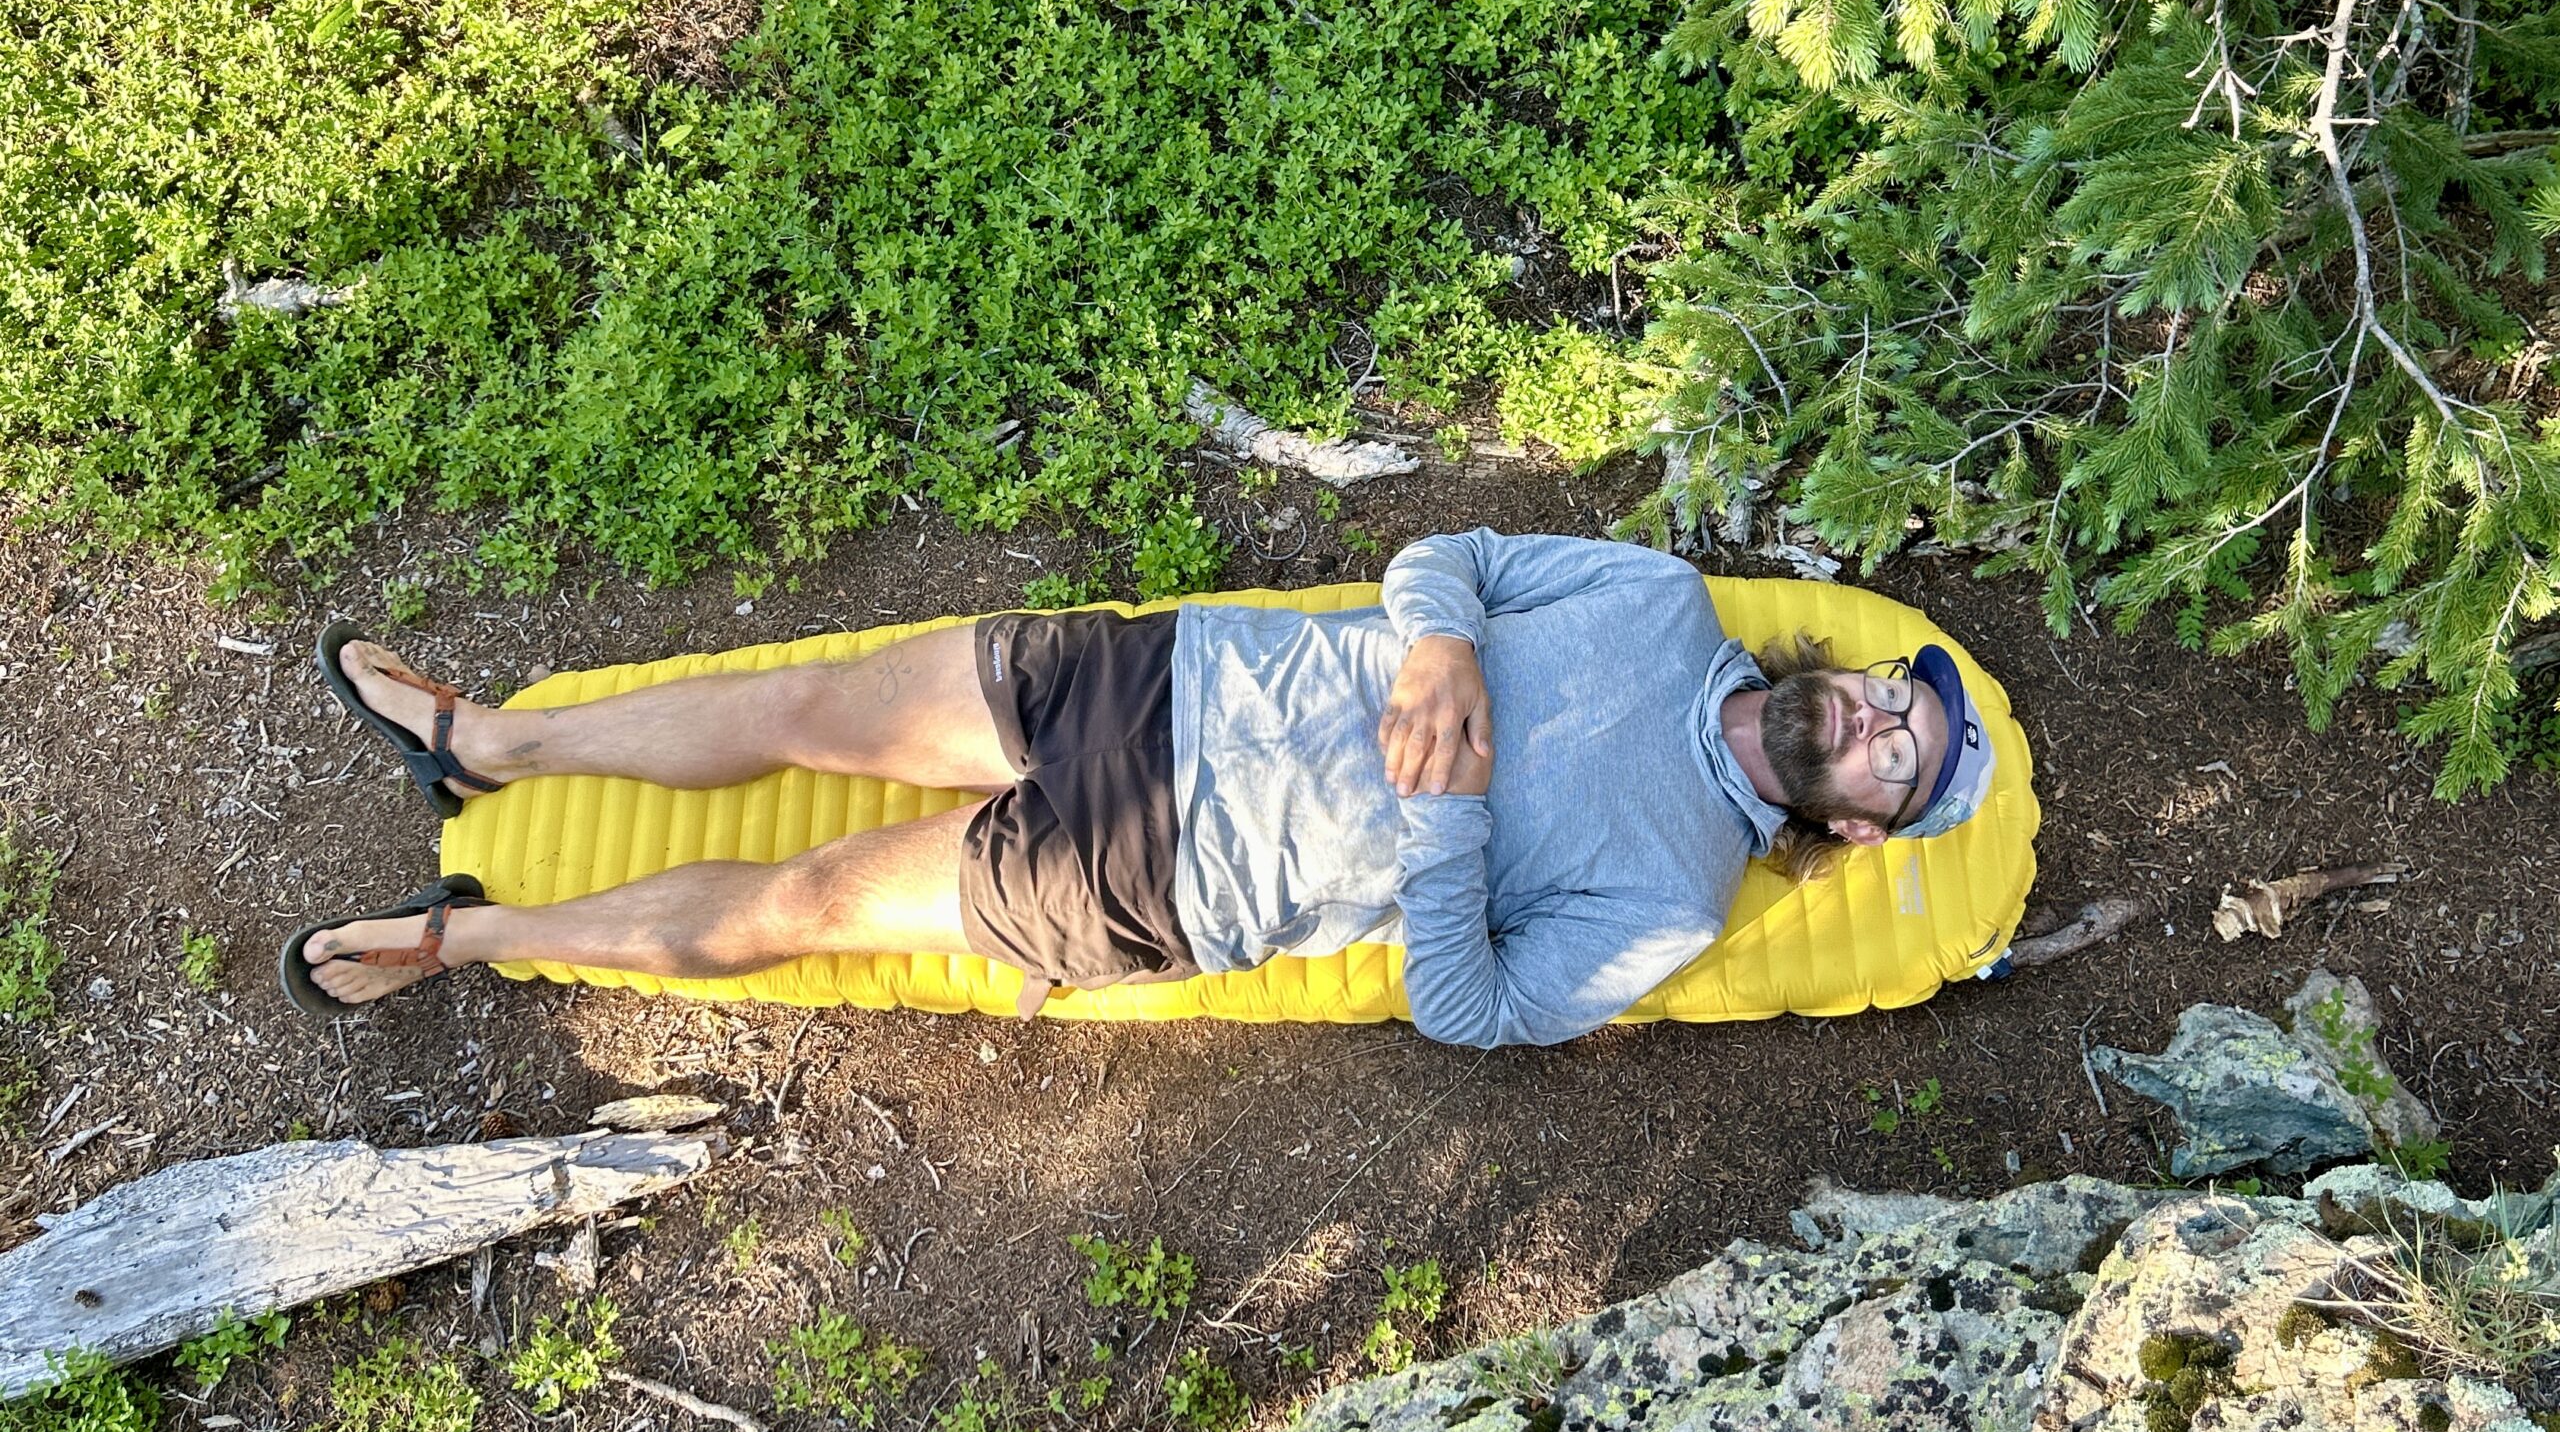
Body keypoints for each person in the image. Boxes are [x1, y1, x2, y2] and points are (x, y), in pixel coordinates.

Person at [283, 529, 1994, 1047]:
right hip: (1175, 672)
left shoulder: (1679, 901)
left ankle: (475, 938)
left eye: (1894, 761)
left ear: (1851, 823)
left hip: (1174, 873)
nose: (1868, 721)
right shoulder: (1659, 603)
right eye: (1886, 699)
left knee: (807, 903)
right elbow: (1444, 557)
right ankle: (485, 743)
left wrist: (1450, 804)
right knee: (807, 702)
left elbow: (1469, 1007)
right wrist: (1445, 656)